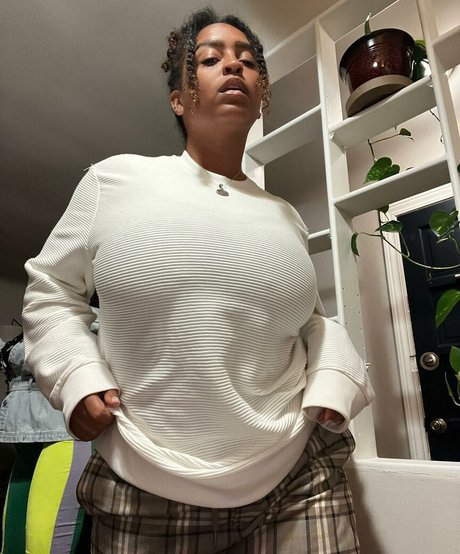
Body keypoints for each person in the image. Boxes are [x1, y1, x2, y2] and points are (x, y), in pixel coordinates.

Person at [22, 7, 375, 553]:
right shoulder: (114, 181)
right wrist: (75, 374)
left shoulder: (286, 216)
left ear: (262, 93)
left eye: (248, 61)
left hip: (300, 473)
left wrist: (334, 379)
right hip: (146, 480)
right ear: (178, 100)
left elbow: (307, 320)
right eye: (210, 59)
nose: (234, 66)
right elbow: (51, 292)